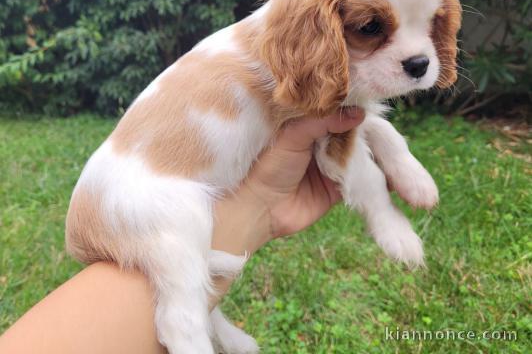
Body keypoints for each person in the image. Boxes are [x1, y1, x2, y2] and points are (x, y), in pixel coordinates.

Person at [0, 107, 364, 354]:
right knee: (181, 284)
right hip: (124, 199)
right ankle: (189, 330)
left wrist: (256, 204)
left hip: (128, 202)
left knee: (183, 262)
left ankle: (200, 323)